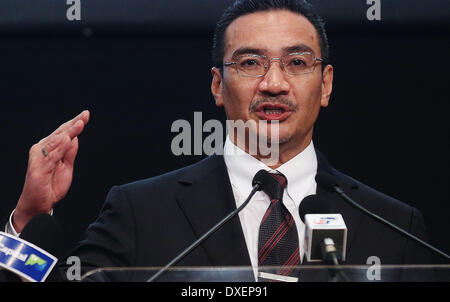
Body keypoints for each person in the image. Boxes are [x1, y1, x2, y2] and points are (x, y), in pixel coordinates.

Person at [4, 0, 431, 282]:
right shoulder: (140, 212)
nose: (274, 84)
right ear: (217, 86)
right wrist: (26, 220)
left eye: (297, 62)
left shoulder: (392, 225)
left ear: (326, 84)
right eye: (250, 63)